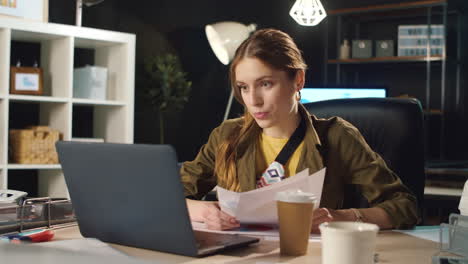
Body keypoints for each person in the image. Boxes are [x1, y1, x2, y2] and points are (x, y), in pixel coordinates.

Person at [180, 28, 419, 232]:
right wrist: (201, 210)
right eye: (243, 87)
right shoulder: (226, 135)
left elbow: (405, 206)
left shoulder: (337, 137)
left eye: (265, 84)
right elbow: (168, 197)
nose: (253, 100)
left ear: (298, 80)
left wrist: (340, 217)